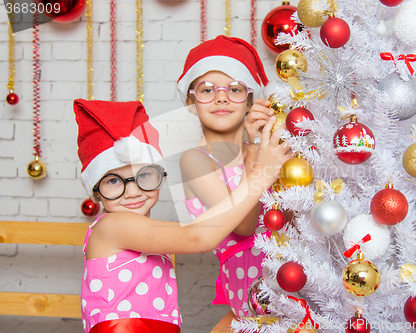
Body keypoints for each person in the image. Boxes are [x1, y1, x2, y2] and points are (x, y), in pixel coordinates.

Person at [74, 98, 290, 333]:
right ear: (96, 190)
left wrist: (254, 148)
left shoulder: (141, 230)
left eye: (144, 175)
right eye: (114, 180)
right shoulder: (112, 225)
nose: (134, 191)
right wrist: (263, 174)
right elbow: (197, 237)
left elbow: (236, 221)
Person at [177, 35, 276, 317]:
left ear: (249, 102)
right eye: (207, 90)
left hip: (290, 266)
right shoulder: (195, 160)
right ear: (191, 102)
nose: (221, 96)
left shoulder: (259, 151)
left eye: (234, 89)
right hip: (249, 280)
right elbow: (245, 225)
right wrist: (257, 150)